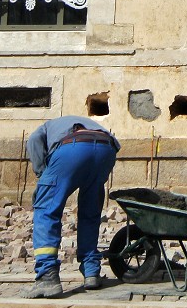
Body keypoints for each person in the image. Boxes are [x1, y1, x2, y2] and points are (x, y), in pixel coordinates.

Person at [25, 115, 120, 297]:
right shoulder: (71, 123)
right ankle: (91, 271)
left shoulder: (45, 128)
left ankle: (47, 275)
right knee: (90, 213)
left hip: (73, 148)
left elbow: (34, 141)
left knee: (46, 211)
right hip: (106, 149)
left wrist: (42, 174)